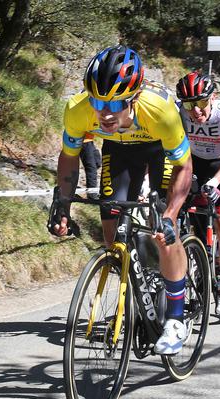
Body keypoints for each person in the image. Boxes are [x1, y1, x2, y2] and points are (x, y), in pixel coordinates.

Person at [50, 45, 193, 355]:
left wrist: (170, 213)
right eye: (98, 101)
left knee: (164, 229)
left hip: (160, 149)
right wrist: (62, 203)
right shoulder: (77, 110)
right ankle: (138, 285)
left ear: (135, 98)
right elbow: (70, 158)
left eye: (115, 104)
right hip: (120, 150)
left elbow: (184, 165)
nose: (105, 113)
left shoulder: (161, 111)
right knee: (111, 231)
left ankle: (176, 317)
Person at [176, 71, 220, 315]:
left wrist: (215, 181)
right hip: (195, 163)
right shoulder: (178, 112)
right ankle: (196, 265)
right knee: (193, 224)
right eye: (189, 105)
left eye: (201, 103)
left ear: (213, 97)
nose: (196, 111)